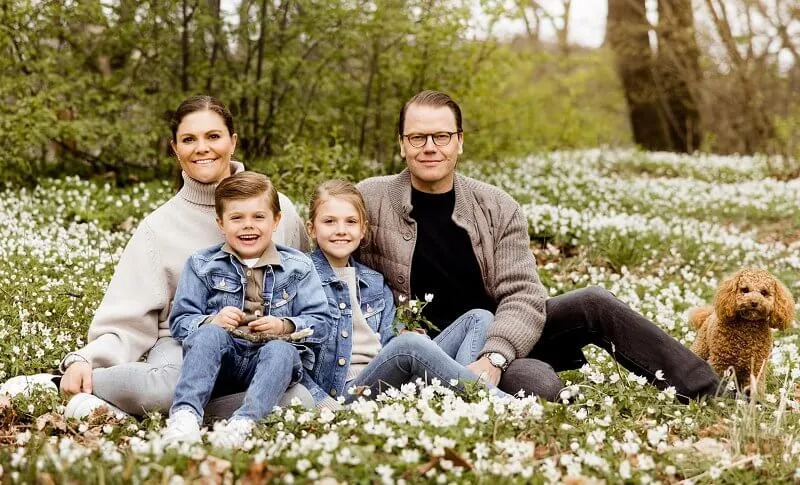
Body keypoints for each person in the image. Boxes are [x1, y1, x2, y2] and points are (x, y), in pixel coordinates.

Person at [356, 90, 721, 403]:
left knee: (593, 301)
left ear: (460, 141)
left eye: (442, 136)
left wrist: (495, 355)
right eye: (418, 138)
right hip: (433, 349)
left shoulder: (496, 205)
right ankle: (500, 384)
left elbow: (523, 293)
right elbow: (327, 258)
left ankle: (709, 391)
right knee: (541, 385)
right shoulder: (369, 199)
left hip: (503, 336)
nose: (430, 148)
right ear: (402, 144)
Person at [55, 95, 312, 418]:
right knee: (171, 387)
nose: (202, 148)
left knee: (299, 400)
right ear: (175, 149)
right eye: (189, 139)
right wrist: (83, 360)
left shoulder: (279, 210)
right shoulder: (157, 228)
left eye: (213, 136)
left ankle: (188, 414)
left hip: (258, 348)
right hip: (181, 345)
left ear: (233, 141)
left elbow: (307, 287)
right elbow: (126, 321)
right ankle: (64, 384)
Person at [161, 172, 329, 445]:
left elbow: (321, 322)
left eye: (258, 217)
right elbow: (180, 321)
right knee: (208, 335)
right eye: (237, 218)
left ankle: (244, 424)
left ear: (276, 221)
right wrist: (211, 321)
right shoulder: (202, 264)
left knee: (280, 349)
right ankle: (185, 416)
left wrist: (284, 326)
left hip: (271, 366)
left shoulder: (298, 266)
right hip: (221, 364)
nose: (248, 226)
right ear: (221, 223)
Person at [303, 180, 501, 409]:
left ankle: (460, 397)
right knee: (409, 344)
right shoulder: (300, 278)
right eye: (329, 222)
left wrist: (412, 340)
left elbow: (390, 340)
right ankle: (496, 401)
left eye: (351, 222)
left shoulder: (373, 281)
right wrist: (322, 404)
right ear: (311, 228)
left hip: (390, 381)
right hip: (346, 392)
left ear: (363, 229)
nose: (341, 230)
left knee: (479, 317)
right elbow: (293, 358)